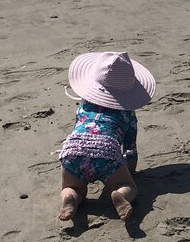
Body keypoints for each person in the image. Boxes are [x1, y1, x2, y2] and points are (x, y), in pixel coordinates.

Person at [58, 50, 155, 223]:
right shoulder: (128, 114)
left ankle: (70, 197)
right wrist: (128, 173)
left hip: (73, 150)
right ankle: (121, 195)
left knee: (72, 186)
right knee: (127, 185)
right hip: (106, 152)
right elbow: (130, 149)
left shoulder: (83, 106)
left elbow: (79, 131)